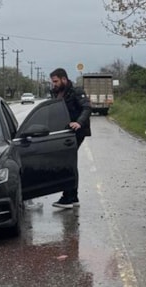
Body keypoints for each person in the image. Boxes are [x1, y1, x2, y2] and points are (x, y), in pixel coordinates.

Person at [49, 68, 91, 209]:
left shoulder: (76, 91)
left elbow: (87, 108)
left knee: (67, 163)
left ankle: (68, 197)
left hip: (76, 133)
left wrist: (79, 122)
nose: (54, 84)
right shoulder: (55, 93)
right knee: (70, 163)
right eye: (52, 81)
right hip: (63, 132)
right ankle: (73, 197)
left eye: (55, 81)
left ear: (64, 79)